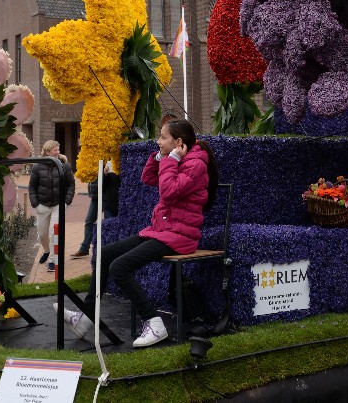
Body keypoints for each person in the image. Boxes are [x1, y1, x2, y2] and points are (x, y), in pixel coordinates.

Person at [56, 119, 218, 348]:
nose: (158, 140)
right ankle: (86, 317)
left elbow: (169, 192)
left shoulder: (195, 164)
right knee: (105, 254)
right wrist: (161, 158)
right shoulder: (178, 160)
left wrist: (171, 159)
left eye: (163, 137)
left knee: (119, 267)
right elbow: (148, 178)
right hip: (162, 231)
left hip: (180, 236)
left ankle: (154, 322)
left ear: (178, 142)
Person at [28, 140, 75, 272]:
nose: (58, 152)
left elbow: (71, 184)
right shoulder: (37, 166)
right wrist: (35, 204)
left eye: (58, 149)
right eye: (55, 150)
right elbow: (32, 186)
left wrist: (66, 202)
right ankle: (47, 250)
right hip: (42, 205)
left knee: (54, 233)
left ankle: (54, 260)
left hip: (58, 206)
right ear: (47, 151)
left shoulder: (65, 166)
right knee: (42, 234)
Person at [72, 161, 120, 258]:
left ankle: (108, 249)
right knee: (89, 221)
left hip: (107, 197)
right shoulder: (93, 157)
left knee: (108, 223)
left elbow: (110, 181)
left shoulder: (111, 159)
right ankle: (85, 248)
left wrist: (105, 174)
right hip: (96, 196)